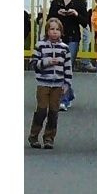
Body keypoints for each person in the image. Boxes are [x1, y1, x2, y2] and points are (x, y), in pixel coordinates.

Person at [28, 17, 72, 149]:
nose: (54, 32)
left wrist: (67, 83)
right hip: (43, 83)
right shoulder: (40, 46)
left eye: (57, 29)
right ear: (47, 31)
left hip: (58, 85)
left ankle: (49, 138)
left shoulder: (64, 48)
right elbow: (34, 64)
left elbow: (68, 67)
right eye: (52, 29)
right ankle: (34, 135)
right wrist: (46, 62)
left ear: (61, 32)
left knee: (54, 111)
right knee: (41, 110)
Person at [47, 0, 89, 111]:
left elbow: (85, 22)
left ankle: (63, 99)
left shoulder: (79, 3)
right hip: (58, 39)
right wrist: (57, 14)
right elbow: (49, 19)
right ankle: (68, 94)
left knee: (66, 66)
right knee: (59, 67)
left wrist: (75, 14)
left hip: (72, 37)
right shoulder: (57, 2)